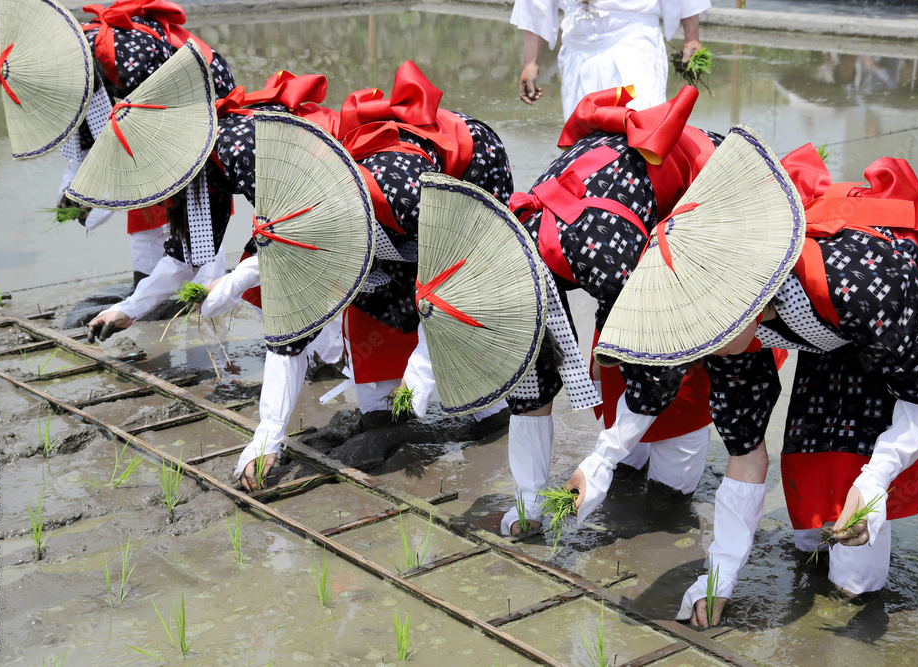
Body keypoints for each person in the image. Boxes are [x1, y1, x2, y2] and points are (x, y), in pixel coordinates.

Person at [585, 133, 918, 625]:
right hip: (831, 323)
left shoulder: (857, 284)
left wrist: (875, 480)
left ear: (748, 298)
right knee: (811, 516)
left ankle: (863, 591)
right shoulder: (729, 331)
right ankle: (827, 542)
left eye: (710, 334)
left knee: (854, 551)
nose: (705, 350)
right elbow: (746, 456)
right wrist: (719, 576)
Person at [198, 62, 515, 490]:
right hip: (381, 224)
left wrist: (422, 370)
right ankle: (385, 401)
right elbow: (288, 339)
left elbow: (468, 274)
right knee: (377, 396)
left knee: (450, 320)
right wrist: (268, 435)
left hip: (460, 180)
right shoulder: (303, 218)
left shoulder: (409, 197)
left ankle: (489, 409)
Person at [489, 84, 730, 535]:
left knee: (669, 490)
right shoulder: (512, 247)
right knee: (625, 437)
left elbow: (663, 363)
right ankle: (622, 456)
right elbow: (531, 389)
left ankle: (653, 466)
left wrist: (599, 462)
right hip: (619, 221)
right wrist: (528, 503)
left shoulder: (600, 254)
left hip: (698, 188)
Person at [58, 0, 237, 286]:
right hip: (154, 115)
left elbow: (118, 142)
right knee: (146, 197)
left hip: (196, 105)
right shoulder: (80, 66)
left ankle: (207, 288)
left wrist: (92, 197)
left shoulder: (127, 60)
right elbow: (89, 136)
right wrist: (73, 191)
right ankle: (151, 284)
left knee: (196, 203)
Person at [512, 0, 710, 119]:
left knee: (639, 130)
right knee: (582, 143)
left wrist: (692, 37)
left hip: (634, 38)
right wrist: (529, 63)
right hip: (578, 46)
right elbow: (535, 5)